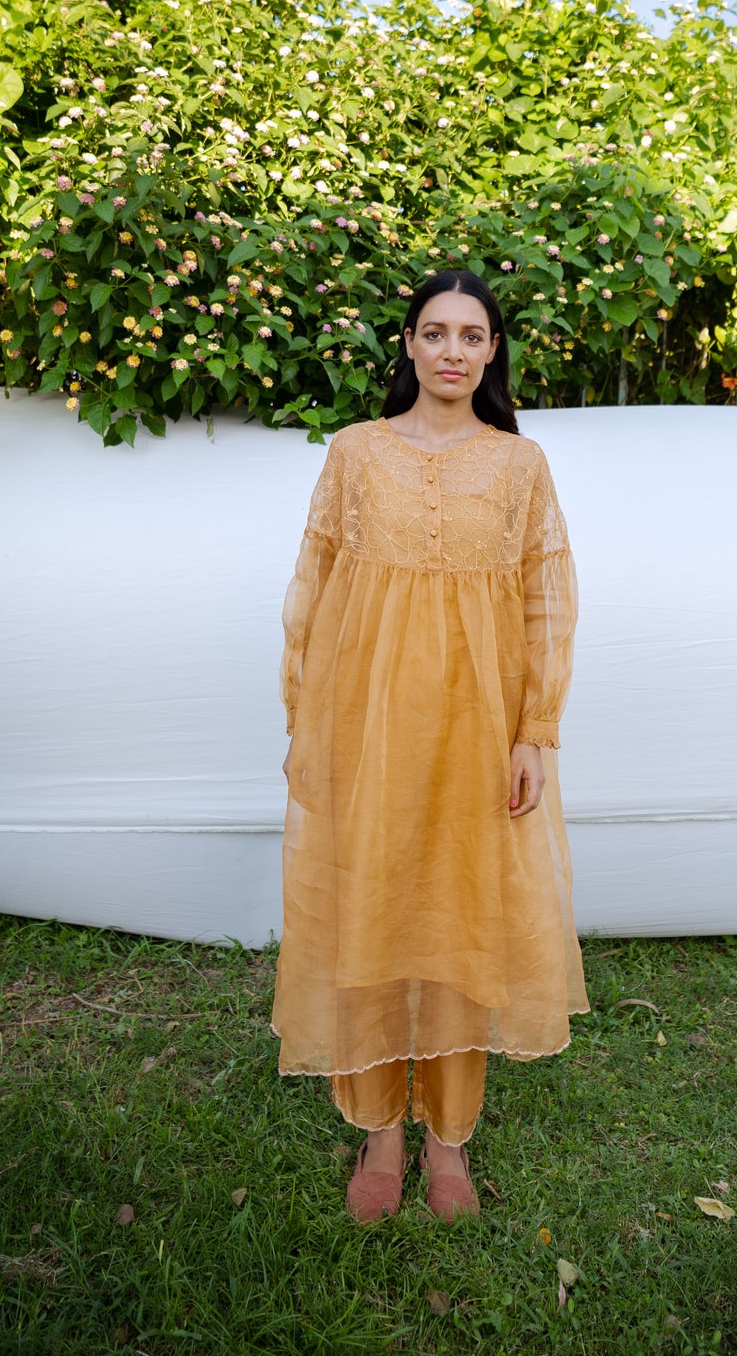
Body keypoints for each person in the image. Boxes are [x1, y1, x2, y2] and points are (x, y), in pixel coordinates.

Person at [271, 269, 589, 1224]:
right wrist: (305, 717)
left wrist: (535, 731)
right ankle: (378, 1131)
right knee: (370, 903)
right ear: (407, 345)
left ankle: (448, 1143)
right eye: (436, 331)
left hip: (476, 731)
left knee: (461, 913)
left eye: (474, 335)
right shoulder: (356, 453)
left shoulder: (520, 465)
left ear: (493, 353)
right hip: (367, 724)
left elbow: (546, 602)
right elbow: (315, 590)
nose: (454, 349)